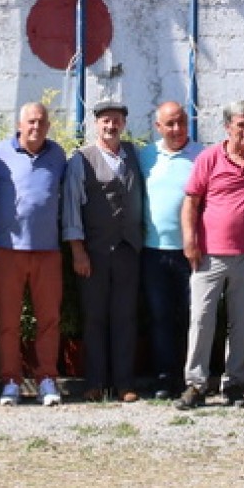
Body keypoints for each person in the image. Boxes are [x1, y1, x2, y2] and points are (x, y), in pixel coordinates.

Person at [175, 99, 244, 410]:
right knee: (202, 319)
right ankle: (195, 385)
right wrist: (189, 240)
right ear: (227, 127)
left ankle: (234, 383)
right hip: (208, 253)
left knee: (242, 321)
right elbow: (191, 203)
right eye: (240, 125)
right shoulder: (209, 158)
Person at [0, 101, 67, 407]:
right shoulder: (0, 154)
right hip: (8, 251)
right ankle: (11, 382)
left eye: (41, 122)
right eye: (30, 122)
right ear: (19, 124)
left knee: (49, 320)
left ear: (48, 126)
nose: (36, 127)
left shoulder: (58, 155)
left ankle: (46, 380)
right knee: (8, 320)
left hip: (48, 251)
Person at [62, 100, 145, 403]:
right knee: (94, 317)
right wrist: (78, 251)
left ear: (124, 124)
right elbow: (71, 208)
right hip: (93, 251)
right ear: (96, 124)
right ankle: (94, 382)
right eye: (105, 121)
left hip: (128, 249)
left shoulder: (134, 156)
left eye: (117, 121)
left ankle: (124, 384)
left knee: (126, 317)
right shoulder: (80, 160)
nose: (111, 126)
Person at [137, 100, 200, 400]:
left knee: (191, 317)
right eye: (170, 124)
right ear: (158, 127)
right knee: (160, 317)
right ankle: (163, 378)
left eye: (181, 122)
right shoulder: (145, 156)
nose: (176, 130)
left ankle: (191, 378)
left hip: (193, 253)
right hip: (153, 252)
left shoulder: (203, 155)